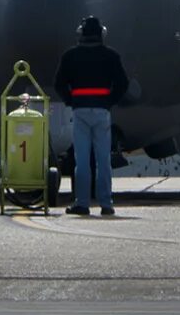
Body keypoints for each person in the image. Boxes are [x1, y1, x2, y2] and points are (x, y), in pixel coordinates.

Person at [54, 15, 128, 217]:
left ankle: (82, 203)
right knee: (103, 159)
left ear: (81, 34)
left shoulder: (70, 56)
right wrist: (109, 101)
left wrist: (71, 100)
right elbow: (123, 84)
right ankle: (106, 203)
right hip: (102, 110)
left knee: (82, 159)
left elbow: (59, 84)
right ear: (102, 34)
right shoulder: (111, 56)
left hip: (80, 111)